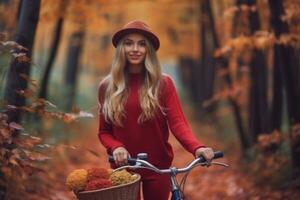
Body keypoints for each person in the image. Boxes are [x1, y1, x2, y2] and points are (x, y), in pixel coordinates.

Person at [97, 20, 214, 200]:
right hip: (124, 168)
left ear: (149, 50)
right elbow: (104, 132)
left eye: (142, 44)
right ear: (121, 48)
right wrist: (116, 147)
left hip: (158, 166)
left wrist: (197, 148)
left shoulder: (163, 83)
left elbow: (178, 123)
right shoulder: (107, 86)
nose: (135, 49)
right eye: (129, 43)